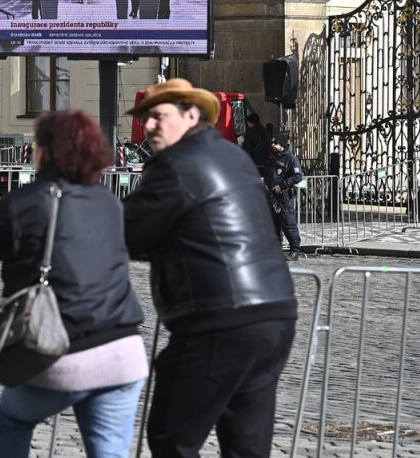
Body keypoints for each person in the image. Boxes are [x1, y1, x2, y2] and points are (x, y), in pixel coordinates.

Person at [122, 78, 298, 457]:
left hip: (219, 320)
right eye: (144, 118)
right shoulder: (232, 156)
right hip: (274, 314)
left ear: (191, 115)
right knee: (246, 447)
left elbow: (129, 233)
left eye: (158, 116)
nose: (148, 126)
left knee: (172, 438)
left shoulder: (174, 164)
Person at [0, 110, 148, 457]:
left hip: (61, 351)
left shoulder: (24, 203)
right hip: (124, 352)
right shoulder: (109, 203)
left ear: (45, 151)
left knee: (11, 422)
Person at [265, 132, 304, 261]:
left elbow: (298, 176)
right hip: (272, 197)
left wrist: (281, 186)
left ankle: (295, 251)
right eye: (272, 143)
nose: (273, 145)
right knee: (273, 225)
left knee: (288, 224)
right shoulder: (273, 157)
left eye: (275, 143)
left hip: (284, 197)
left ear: (282, 144)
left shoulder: (290, 159)